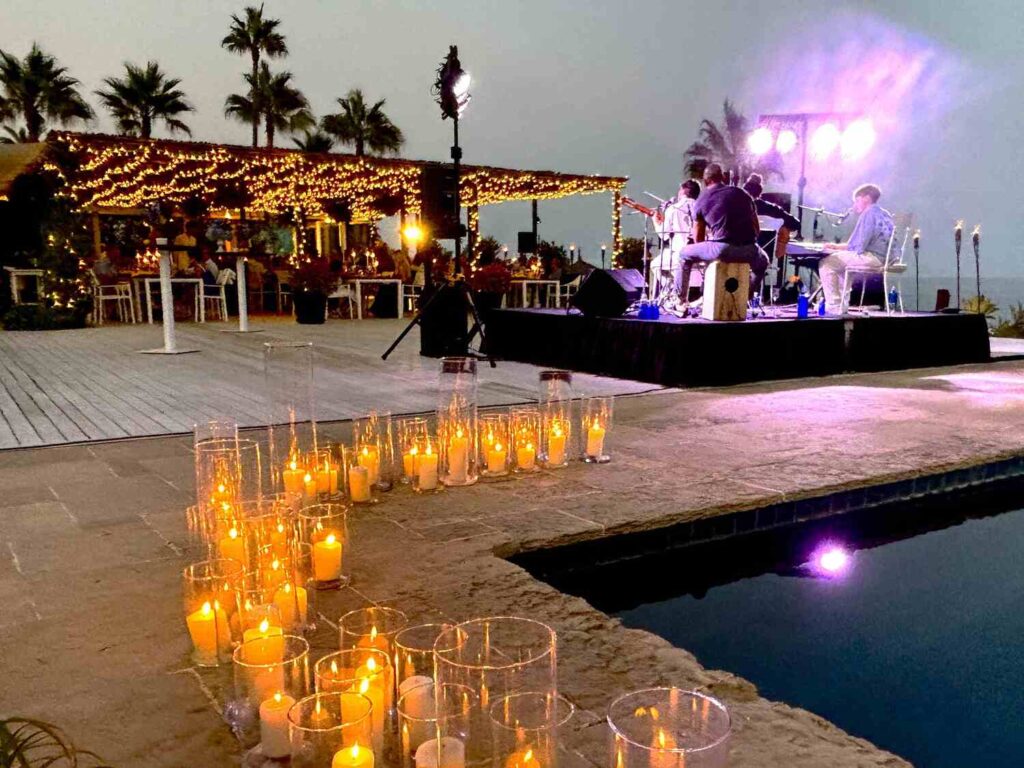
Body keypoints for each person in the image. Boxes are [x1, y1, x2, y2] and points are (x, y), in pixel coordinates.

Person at [679, 163, 768, 306]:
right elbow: (756, 229)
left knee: (684, 254)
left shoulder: (702, 199)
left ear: (705, 180)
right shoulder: (742, 193)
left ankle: (680, 301)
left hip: (722, 249)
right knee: (763, 261)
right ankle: (745, 297)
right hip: (750, 250)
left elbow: (698, 239)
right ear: (723, 177)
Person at [818, 183, 895, 315]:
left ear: (867, 198)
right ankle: (842, 305)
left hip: (873, 258)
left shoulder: (869, 213)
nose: (855, 205)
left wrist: (836, 248)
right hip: (886, 259)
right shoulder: (885, 214)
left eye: (857, 200)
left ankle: (834, 305)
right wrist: (837, 247)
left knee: (827, 263)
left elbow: (859, 245)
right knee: (842, 264)